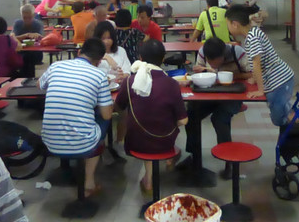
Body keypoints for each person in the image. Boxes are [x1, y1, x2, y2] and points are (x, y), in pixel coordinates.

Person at [39, 38, 113, 196]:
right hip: (83, 145)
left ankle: (67, 165)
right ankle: (89, 182)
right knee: (104, 117)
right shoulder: (99, 75)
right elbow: (107, 114)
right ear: (99, 61)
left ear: (79, 52)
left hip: (49, 142)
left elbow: (41, 85)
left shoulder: (56, 66)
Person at [114, 39, 187, 194]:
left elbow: (118, 107)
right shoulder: (171, 84)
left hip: (135, 142)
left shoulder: (129, 81)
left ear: (140, 58)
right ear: (163, 58)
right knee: (161, 127)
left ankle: (148, 179)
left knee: (145, 128)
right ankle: (168, 159)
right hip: (164, 142)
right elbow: (183, 120)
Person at [184, 37, 251, 179]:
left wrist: (229, 75)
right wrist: (199, 72)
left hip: (233, 94)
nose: (213, 65)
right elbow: (199, 75)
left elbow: (252, 73)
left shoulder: (237, 53)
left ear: (223, 55)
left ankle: (228, 163)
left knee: (219, 119)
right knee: (191, 115)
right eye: (210, 61)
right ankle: (194, 157)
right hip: (210, 93)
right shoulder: (203, 52)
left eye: (216, 61)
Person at [225, 4, 295, 126]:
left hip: (279, 82)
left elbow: (256, 64)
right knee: (282, 116)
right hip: (277, 81)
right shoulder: (252, 33)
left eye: (228, 24)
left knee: (282, 119)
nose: (228, 28)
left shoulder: (252, 38)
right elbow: (260, 62)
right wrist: (254, 78)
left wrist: (260, 90)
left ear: (235, 24)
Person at [12, 4, 45, 77]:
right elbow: (12, 37)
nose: (27, 20)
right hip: (21, 51)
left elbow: (43, 40)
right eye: (24, 17)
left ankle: (27, 78)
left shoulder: (38, 24)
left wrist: (38, 36)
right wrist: (25, 35)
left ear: (33, 15)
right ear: (21, 16)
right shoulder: (18, 23)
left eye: (29, 17)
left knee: (27, 58)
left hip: (35, 53)